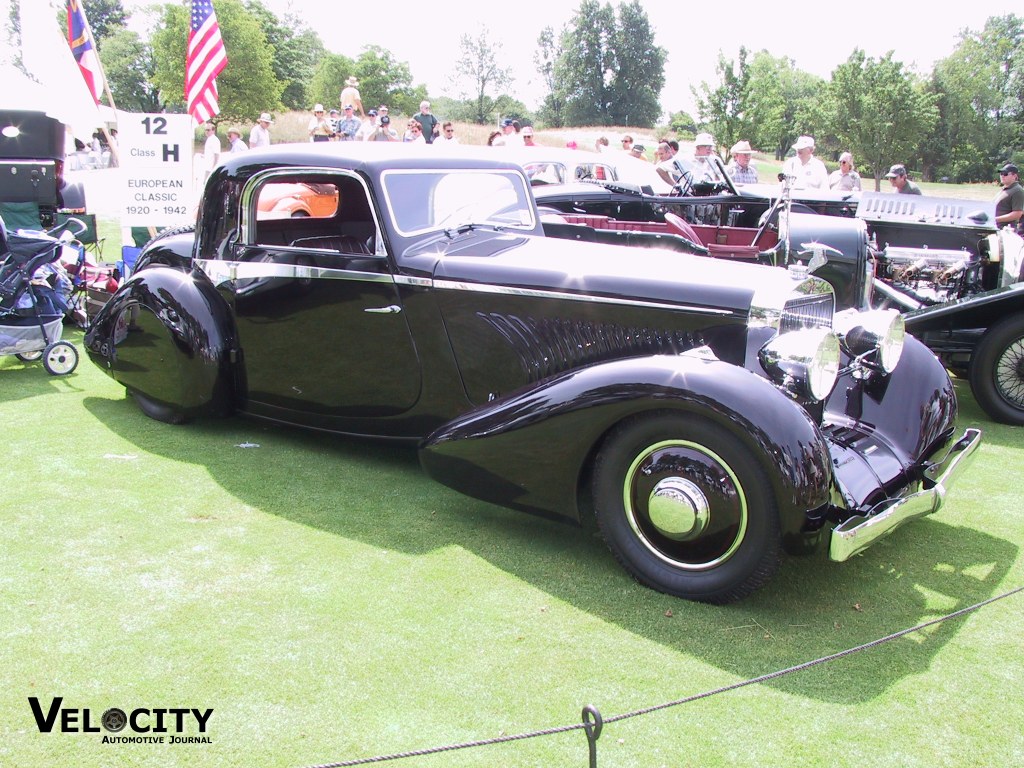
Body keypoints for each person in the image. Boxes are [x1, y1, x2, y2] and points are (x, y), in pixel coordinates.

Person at [994, 163, 1023, 231]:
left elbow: (1017, 213)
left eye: (1005, 174)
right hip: (996, 228)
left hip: (1006, 230)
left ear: (1014, 175)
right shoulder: (1005, 189)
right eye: (1001, 173)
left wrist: (995, 219)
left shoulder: (1017, 191)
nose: (1002, 176)